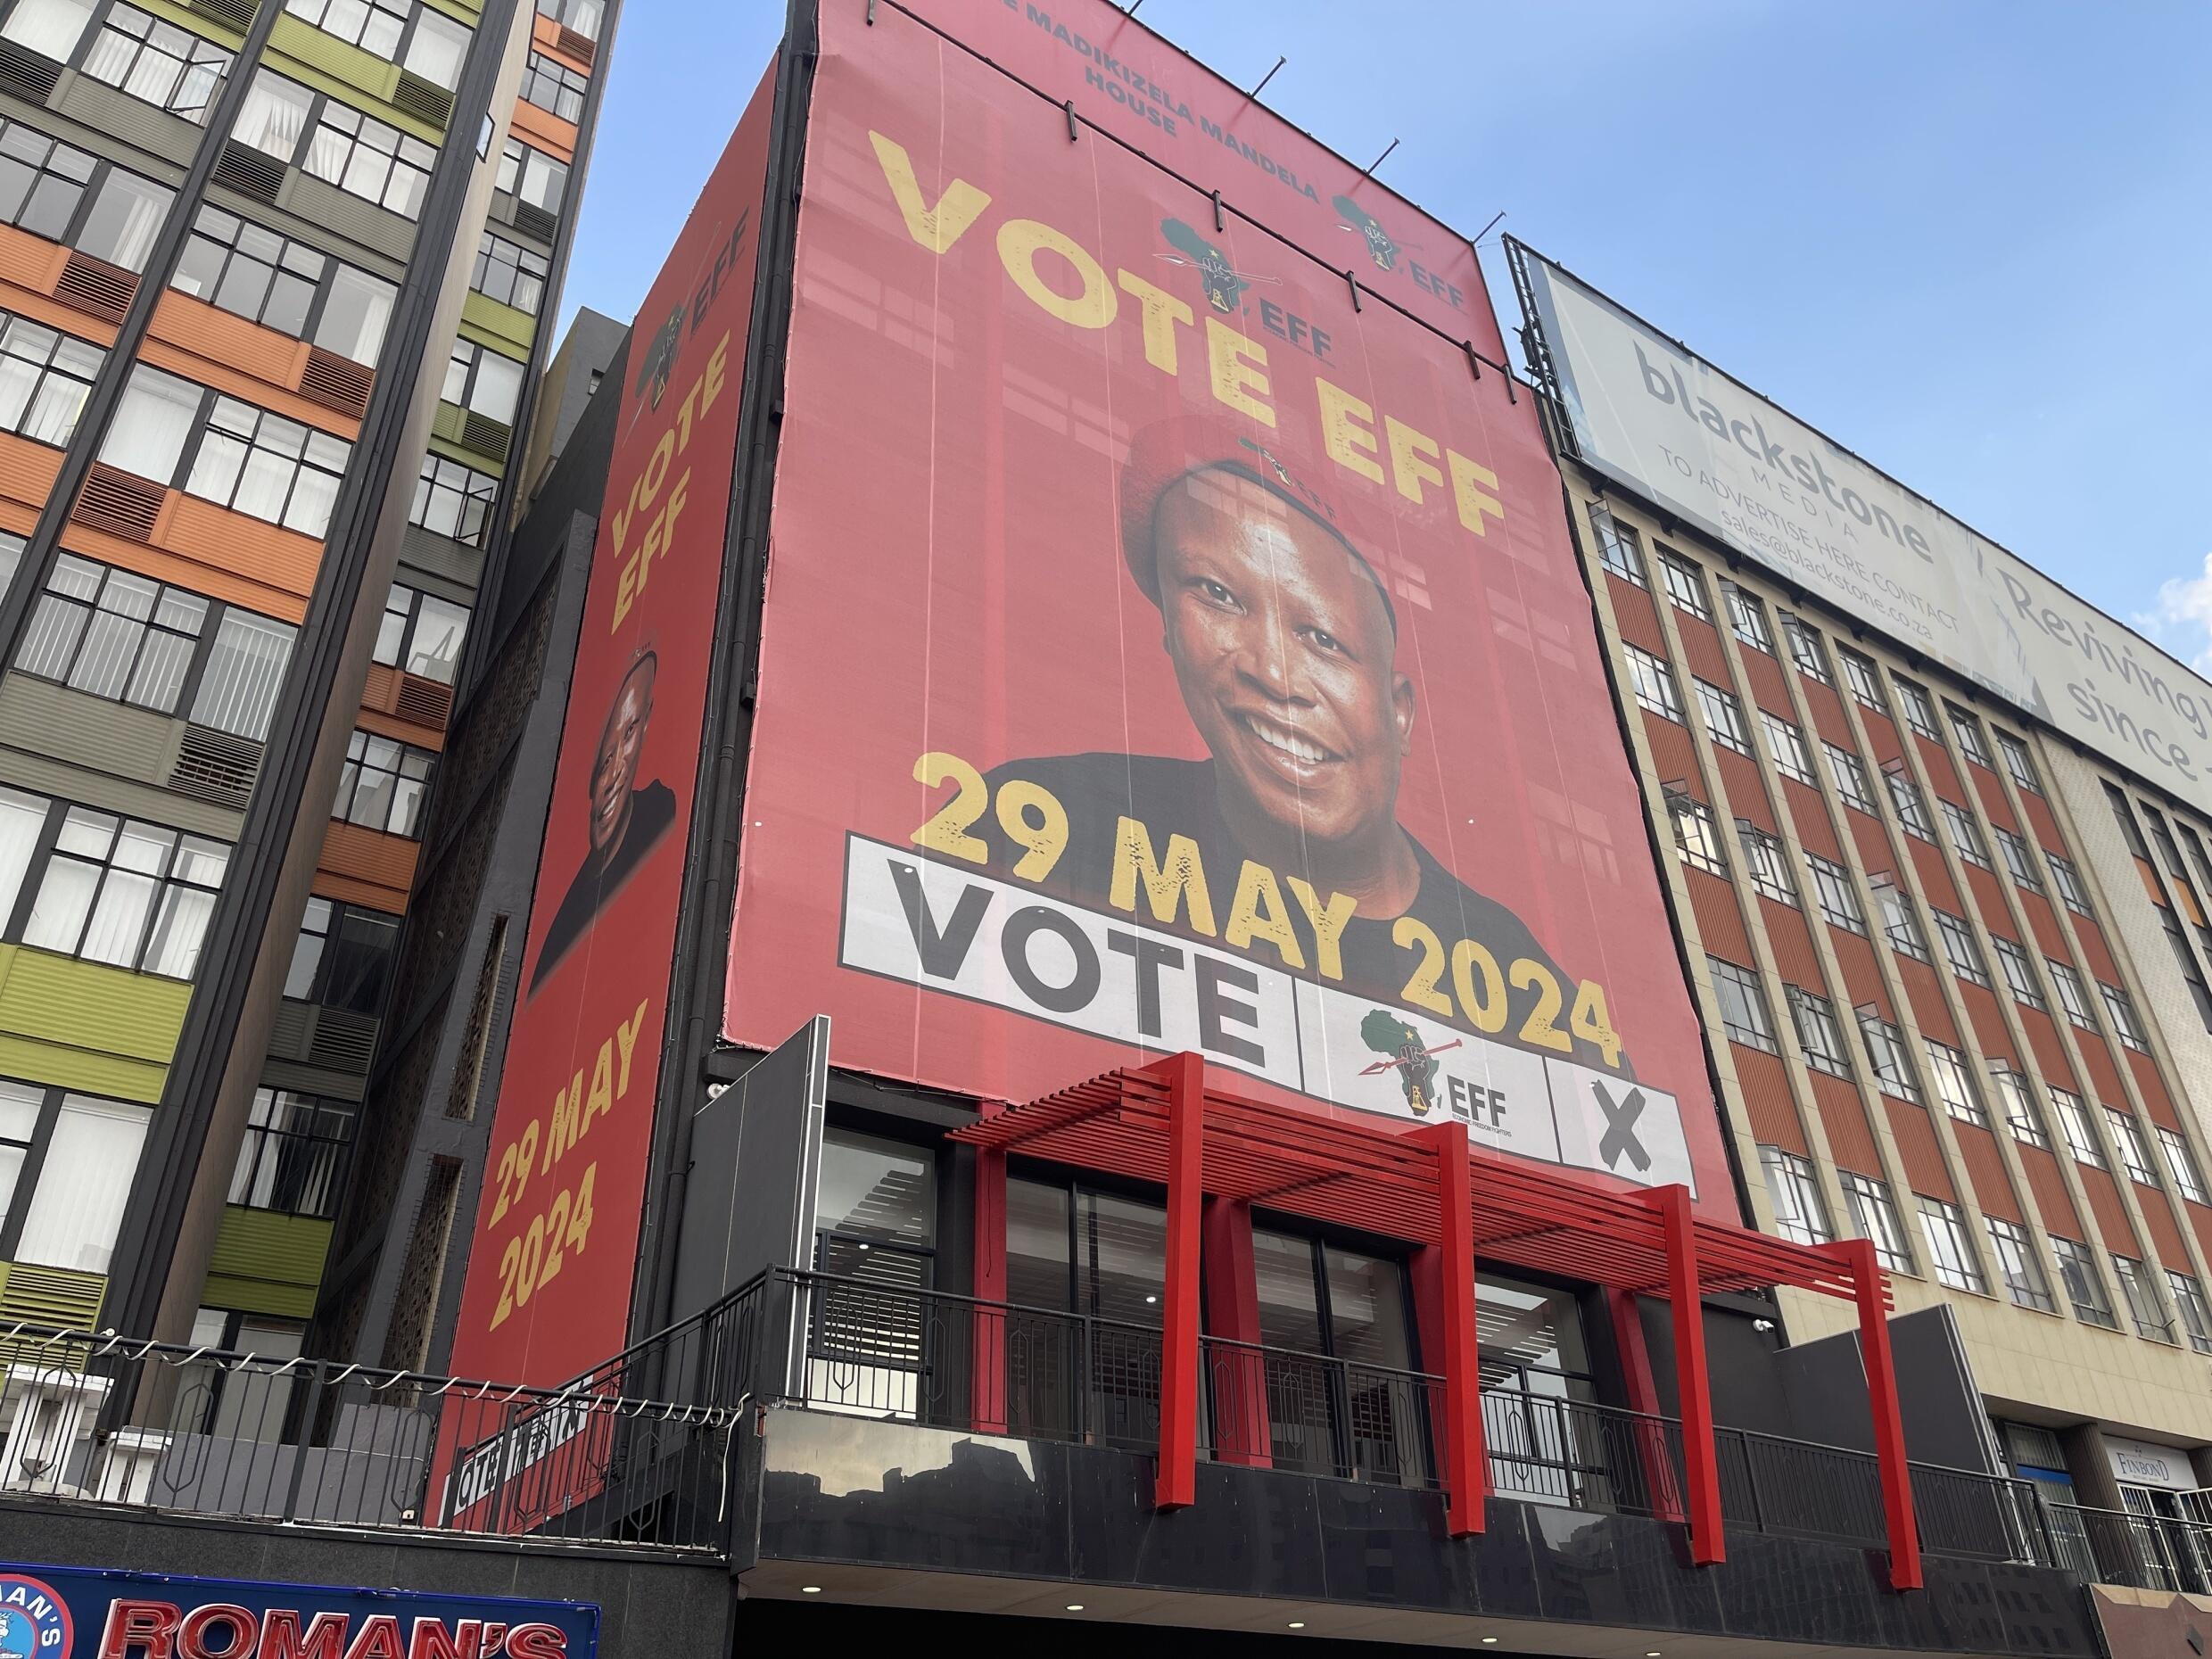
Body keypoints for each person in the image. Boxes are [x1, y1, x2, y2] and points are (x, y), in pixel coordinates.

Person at [980, 425, 1623, 1074]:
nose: (1273, 674)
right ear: (1171, 634)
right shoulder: (1044, 823)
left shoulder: (1526, 991)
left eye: (1323, 637)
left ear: (1398, 713)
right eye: (1218, 595)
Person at [531, 649, 677, 993]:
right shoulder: (562, 933)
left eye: (630, 732)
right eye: (605, 760)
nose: (614, 775)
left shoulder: (663, 811)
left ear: (647, 723)